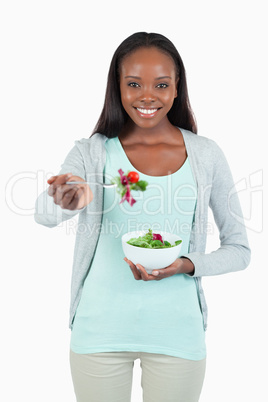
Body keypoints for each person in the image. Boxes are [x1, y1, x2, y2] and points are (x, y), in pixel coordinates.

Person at [34, 32, 251, 402]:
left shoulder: (206, 154)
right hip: (98, 332)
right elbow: (44, 214)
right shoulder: (91, 153)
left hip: (177, 334)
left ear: (177, 87)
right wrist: (65, 200)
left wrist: (185, 264)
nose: (147, 96)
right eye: (133, 84)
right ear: (117, 87)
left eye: (161, 85)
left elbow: (239, 250)